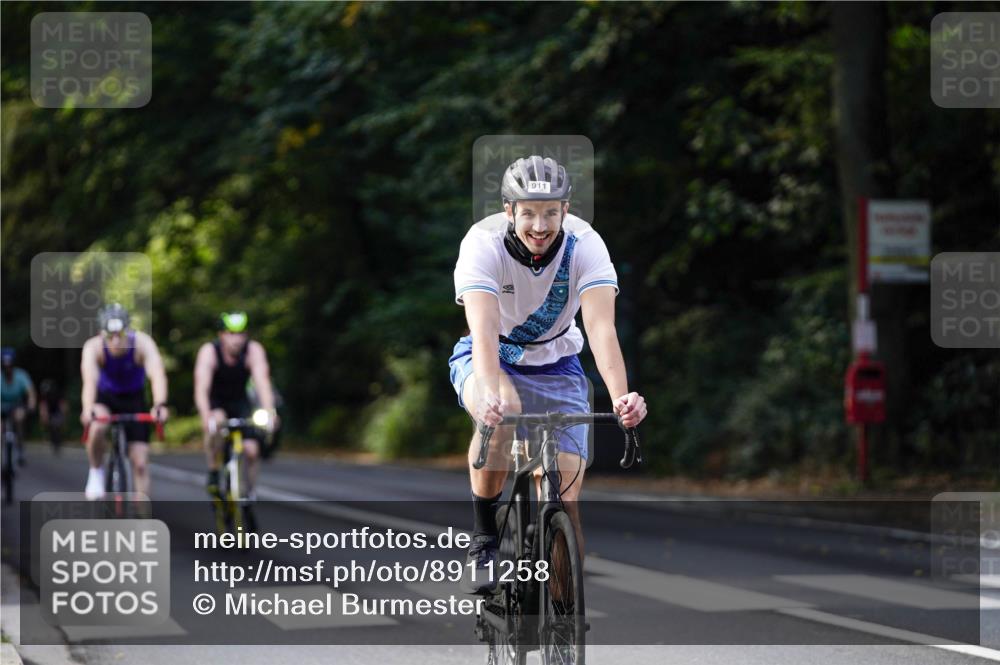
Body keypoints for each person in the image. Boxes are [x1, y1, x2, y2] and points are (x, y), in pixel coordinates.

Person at [449, 155, 648, 593]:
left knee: (566, 496)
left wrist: (621, 396)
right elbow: (482, 332)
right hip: (492, 356)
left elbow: (600, 328)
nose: (540, 226)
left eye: (551, 213)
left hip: (558, 363)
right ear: (509, 211)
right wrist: (487, 395)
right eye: (529, 214)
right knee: (503, 413)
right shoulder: (482, 244)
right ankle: (483, 539)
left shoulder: (585, 244)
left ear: (566, 208)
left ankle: (564, 615)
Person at [80, 303, 169, 500]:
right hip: (106, 398)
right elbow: (89, 382)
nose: (116, 340)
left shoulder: (142, 343)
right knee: (97, 426)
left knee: (140, 463)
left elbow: (157, 375)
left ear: (128, 330)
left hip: (134, 399)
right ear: (102, 333)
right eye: (110, 335)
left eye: (120, 334)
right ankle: (96, 471)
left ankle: (142, 516)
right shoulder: (93, 347)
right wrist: (88, 409)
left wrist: (160, 404)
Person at [194, 312, 277, 501]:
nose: (236, 340)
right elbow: (201, 388)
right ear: (221, 334)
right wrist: (205, 414)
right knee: (217, 423)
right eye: (231, 333)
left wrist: (270, 411)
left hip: (241, 403)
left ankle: (249, 493)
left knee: (252, 450)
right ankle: (214, 471)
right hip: (217, 403)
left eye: (241, 334)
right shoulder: (209, 352)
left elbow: (262, 383)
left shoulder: (253, 350)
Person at [0, 348, 36, 466]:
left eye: (9, 365)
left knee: (19, 418)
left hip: (17, 405)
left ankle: (20, 449)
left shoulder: (21, 375)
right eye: (5, 366)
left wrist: (31, 404)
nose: (7, 369)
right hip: (2, 405)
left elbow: (30, 392)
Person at [38, 379, 68, 455]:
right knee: (51, 425)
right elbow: (43, 407)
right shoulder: (44, 396)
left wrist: (64, 416)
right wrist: (44, 416)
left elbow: (63, 405)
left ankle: (59, 440)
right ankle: (50, 437)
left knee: (57, 424)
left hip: (57, 411)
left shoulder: (57, 393)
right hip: (49, 412)